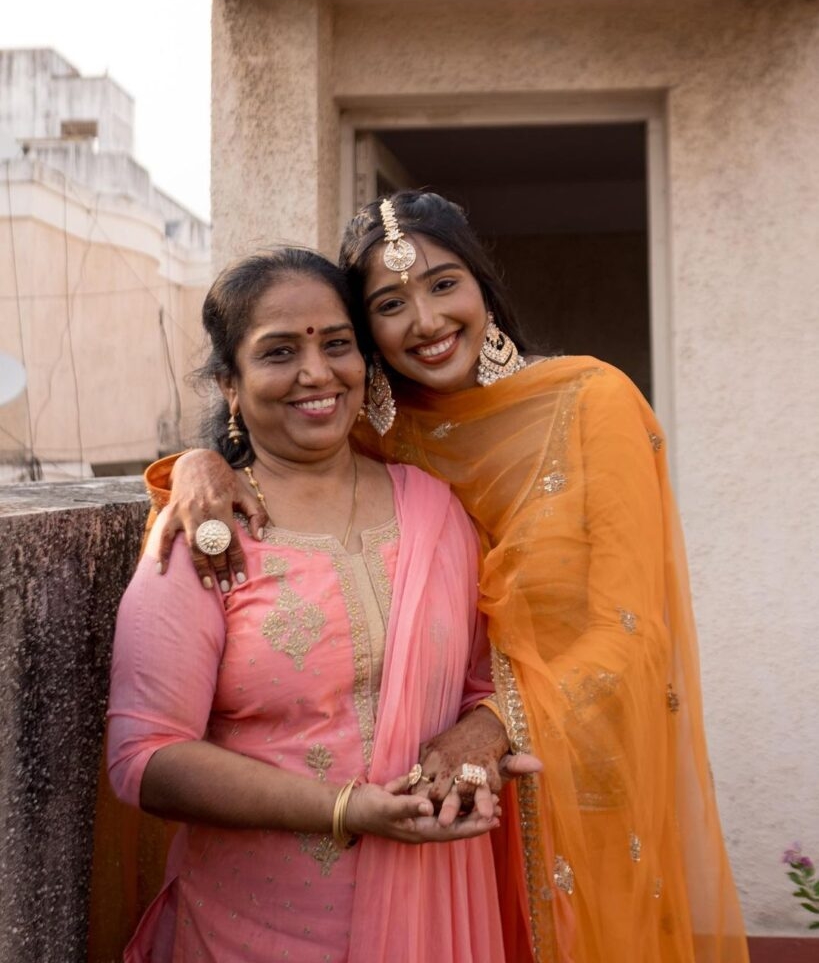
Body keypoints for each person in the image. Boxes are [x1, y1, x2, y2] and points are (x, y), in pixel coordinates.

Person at [150, 193, 750, 963]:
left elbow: (628, 627)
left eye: (443, 285)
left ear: (482, 288)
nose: (426, 322)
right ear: (366, 337)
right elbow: (270, 452)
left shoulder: (589, 400)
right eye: (390, 304)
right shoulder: (377, 429)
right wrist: (198, 464)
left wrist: (494, 723)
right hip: (428, 807)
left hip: (559, 772)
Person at [108, 247, 527, 963]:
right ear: (229, 386)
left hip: (436, 916)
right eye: (278, 352)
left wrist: (480, 736)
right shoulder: (204, 536)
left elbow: (494, 680)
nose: (315, 373)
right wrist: (346, 809)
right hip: (252, 932)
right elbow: (146, 758)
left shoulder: (435, 510)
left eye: (336, 345)